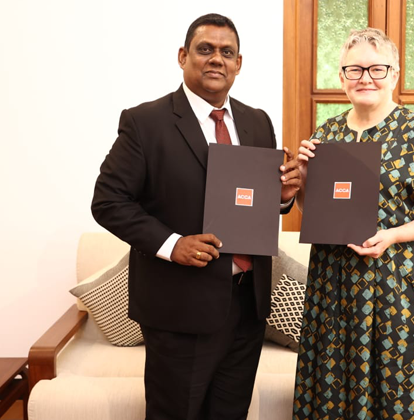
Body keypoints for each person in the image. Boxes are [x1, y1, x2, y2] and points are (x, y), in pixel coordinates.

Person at [91, 13, 300, 420]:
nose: (217, 59)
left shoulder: (257, 122)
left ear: (239, 63)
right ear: (183, 56)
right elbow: (108, 201)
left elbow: (252, 201)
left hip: (248, 304)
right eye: (205, 49)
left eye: (227, 52)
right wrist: (173, 245)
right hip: (179, 306)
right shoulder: (145, 122)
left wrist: (281, 198)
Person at [292, 28, 414, 420]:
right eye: (354, 70)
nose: (365, 78)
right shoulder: (327, 135)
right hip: (336, 289)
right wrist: (304, 179)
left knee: (405, 397)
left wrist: (393, 235)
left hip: (404, 292)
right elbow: (315, 214)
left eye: (377, 69)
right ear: (341, 77)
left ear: (394, 75)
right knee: (335, 393)